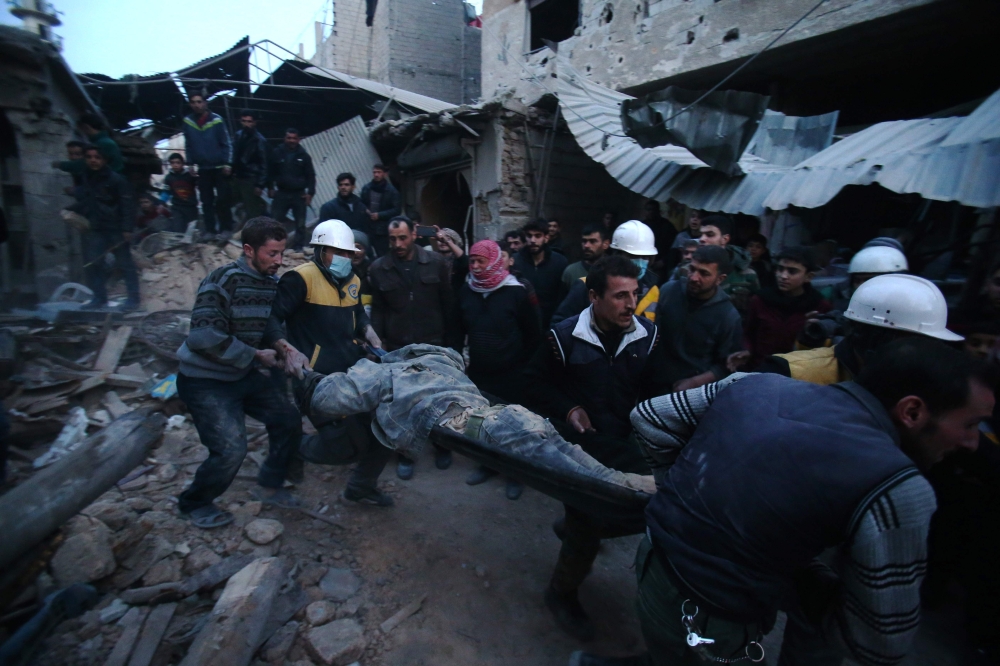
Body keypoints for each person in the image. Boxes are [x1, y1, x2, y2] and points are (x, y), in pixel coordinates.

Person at [573, 337, 994, 666]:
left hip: (652, 568)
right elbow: (880, 643)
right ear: (913, 411)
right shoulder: (900, 488)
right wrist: (804, 583)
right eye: (970, 424)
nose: (973, 442)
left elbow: (651, 416)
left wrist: (681, 486)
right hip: (718, 618)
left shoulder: (753, 384)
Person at [524, 255, 660, 641]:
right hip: (580, 451)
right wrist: (568, 408)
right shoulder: (563, 338)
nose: (631, 305)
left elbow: (655, 390)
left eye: (634, 294)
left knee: (639, 511)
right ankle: (560, 593)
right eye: (619, 296)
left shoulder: (647, 337)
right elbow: (532, 384)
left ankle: (572, 525)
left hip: (625, 446)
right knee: (587, 529)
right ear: (593, 297)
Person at [175, 218, 302, 529]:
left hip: (241, 374)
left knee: (288, 419)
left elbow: (267, 323)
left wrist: (283, 347)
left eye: (282, 253)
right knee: (231, 449)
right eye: (272, 254)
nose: (279, 261)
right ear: (249, 250)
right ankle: (194, 502)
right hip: (205, 380)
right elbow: (203, 338)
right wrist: (255, 355)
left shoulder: (269, 283)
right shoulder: (222, 280)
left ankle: (270, 484)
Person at [265, 219, 394, 506]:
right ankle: (292, 449)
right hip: (315, 378)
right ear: (320, 250)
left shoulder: (354, 281)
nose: (345, 259)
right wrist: (285, 349)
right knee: (342, 447)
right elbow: (272, 319)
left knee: (386, 430)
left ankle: (361, 487)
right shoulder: (299, 279)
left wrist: (368, 331)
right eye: (337, 252)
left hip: (354, 372)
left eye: (348, 253)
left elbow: (358, 315)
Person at [450, 239, 542, 500]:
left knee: (514, 425)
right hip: (480, 373)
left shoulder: (516, 291)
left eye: (481, 261)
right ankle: (488, 465)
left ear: (494, 261)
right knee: (486, 423)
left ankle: (514, 473)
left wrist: (526, 370)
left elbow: (533, 335)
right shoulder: (467, 292)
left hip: (512, 373)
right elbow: (457, 331)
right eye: (473, 261)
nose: (476, 266)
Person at [367, 216, 455, 479]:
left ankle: (443, 446)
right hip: (398, 348)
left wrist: (453, 346)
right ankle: (406, 453)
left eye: (402, 237)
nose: (397, 243)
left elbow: (449, 307)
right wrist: (378, 346)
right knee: (403, 404)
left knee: (440, 401)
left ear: (414, 235)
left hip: (434, 345)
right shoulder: (378, 268)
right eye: (392, 239)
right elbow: (379, 312)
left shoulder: (437, 263)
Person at [759, 274, 962, 385]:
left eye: (926, 344)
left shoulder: (931, 387)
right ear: (868, 337)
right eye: (910, 342)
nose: (920, 355)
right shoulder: (787, 373)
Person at [655, 245, 743, 392]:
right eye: (692, 269)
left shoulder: (728, 316)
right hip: (651, 381)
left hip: (689, 392)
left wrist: (695, 382)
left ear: (720, 279)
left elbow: (726, 366)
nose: (694, 277)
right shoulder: (669, 291)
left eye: (704, 273)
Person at [69, 145, 139, 310]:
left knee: (125, 264)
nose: (93, 160)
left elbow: (127, 205)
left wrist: (127, 228)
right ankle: (99, 298)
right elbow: (88, 202)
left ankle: (133, 300)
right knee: (95, 264)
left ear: (104, 160)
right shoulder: (86, 178)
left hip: (116, 228)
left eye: (97, 157)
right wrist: (71, 210)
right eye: (89, 157)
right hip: (96, 228)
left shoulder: (116, 180)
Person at [552, 220, 659, 324]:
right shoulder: (586, 286)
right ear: (617, 254)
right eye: (633, 256)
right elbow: (559, 326)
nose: (640, 262)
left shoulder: (653, 291)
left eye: (645, 257)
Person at [740, 246, 831, 368]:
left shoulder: (819, 306)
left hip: (798, 372)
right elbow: (748, 333)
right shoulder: (760, 300)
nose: (783, 276)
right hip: (760, 369)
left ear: (808, 276)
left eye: (792, 271)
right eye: (780, 269)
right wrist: (746, 350)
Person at [182, 93, 233, 236]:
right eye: (193, 102)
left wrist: (227, 163)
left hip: (219, 168)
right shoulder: (188, 122)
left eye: (199, 102)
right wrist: (190, 163)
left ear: (205, 103)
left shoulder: (216, 120)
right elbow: (189, 145)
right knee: (206, 201)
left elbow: (226, 143)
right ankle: (210, 230)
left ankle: (226, 228)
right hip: (203, 168)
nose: (196, 105)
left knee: (223, 200)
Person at [513, 219, 569, 328]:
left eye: (537, 236)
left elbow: (563, 296)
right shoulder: (515, 261)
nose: (533, 240)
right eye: (529, 236)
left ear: (546, 238)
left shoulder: (560, 262)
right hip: (521, 324)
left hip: (550, 323)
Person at [698, 214, 759, 313]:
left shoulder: (747, 274)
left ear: (725, 239)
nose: (702, 239)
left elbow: (754, 312)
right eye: (701, 234)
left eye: (709, 235)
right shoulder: (688, 270)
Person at [267, 128, 315, 250]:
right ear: (285, 138)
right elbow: (270, 171)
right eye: (289, 138)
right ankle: (274, 246)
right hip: (281, 193)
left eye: (294, 138)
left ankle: (298, 247)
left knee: (300, 223)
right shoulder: (277, 153)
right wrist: (270, 187)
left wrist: (310, 193)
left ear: (298, 139)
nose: (291, 140)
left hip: (298, 195)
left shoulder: (304, 156)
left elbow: (310, 175)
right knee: (275, 222)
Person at [830, 237, 909, 310]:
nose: (861, 286)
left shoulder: (910, 303)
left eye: (869, 280)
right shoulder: (842, 293)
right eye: (857, 281)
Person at [231, 109, 269, 223]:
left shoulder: (259, 140)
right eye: (244, 121)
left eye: (249, 121)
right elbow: (234, 155)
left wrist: (260, 185)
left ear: (254, 122)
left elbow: (264, 164)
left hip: (251, 178)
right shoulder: (238, 135)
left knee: (253, 210)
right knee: (239, 207)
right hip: (238, 176)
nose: (247, 124)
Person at [359, 164, 401, 256]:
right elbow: (361, 203)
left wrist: (380, 215)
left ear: (384, 174)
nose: (376, 175)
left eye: (379, 172)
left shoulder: (392, 191)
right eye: (374, 172)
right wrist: (365, 210)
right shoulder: (367, 188)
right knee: (366, 253)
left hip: (382, 230)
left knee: (382, 254)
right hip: (367, 227)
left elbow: (397, 210)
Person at [561, 224, 610, 292]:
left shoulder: (615, 270)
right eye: (584, 241)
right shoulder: (571, 272)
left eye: (592, 241)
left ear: (605, 244)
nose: (586, 245)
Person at [164, 153, 199, 231]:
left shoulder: (190, 176)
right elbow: (166, 191)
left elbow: (200, 186)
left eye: (178, 163)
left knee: (191, 230)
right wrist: (161, 203)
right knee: (178, 229)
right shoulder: (169, 178)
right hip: (177, 207)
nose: (175, 165)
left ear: (182, 164)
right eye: (172, 163)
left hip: (191, 207)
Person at [642, 199, 677, 272]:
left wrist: (664, 261)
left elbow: (674, 247)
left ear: (658, 211)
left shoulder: (667, 226)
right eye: (648, 210)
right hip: (643, 262)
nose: (651, 212)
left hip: (661, 263)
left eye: (653, 210)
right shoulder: (641, 226)